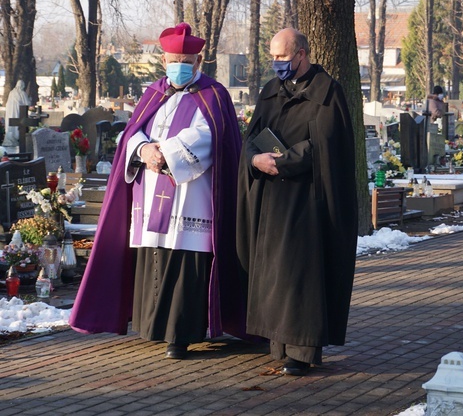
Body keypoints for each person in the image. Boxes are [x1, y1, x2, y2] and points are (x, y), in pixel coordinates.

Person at [70, 23, 247, 359]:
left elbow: (211, 136)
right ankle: (151, 326)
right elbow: (132, 133)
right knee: (153, 257)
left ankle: (181, 334)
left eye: (185, 59)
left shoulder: (214, 94)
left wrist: (166, 153)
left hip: (191, 198)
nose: (178, 65)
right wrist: (143, 150)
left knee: (184, 262)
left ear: (197, 61)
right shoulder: (154, 93)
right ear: (163, 60)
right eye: (172, 59)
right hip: (150, 195)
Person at [236, 27, 358, 376]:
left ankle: (302, 350)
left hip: (307, 199)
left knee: (300, 275)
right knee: (274, 273)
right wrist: (254, 160)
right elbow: (251, 136)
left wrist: (283, 161)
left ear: (302, 54)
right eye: (273, 57)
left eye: (283, 58)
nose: (277, 64)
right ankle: (278, 341)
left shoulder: (327, 92)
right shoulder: (271, 91)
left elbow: (325, 144)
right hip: (271, 200)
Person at [3, 79, 32, 147]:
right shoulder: (22, 93)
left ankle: (10, 138)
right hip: (18, 112)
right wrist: (30, 99)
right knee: (17, 125)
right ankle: (17, 138)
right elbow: (27, 103)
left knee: (11, 125)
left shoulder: (11, 92)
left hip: (10, 112)